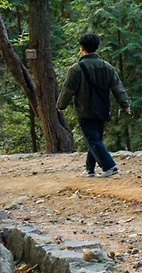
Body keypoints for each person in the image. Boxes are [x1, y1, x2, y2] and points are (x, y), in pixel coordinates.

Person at [56, 33, 131, 178]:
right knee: (95, 139)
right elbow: (118, 87)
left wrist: (61, 106)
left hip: (85, 110)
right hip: (103, 109)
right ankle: (89, 169)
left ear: (81, 48)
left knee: (93, 139)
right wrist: (125, 105)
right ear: (96, 47)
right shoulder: (106, 67)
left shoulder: (76, 69)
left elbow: (67, 90)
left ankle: (109, 166)